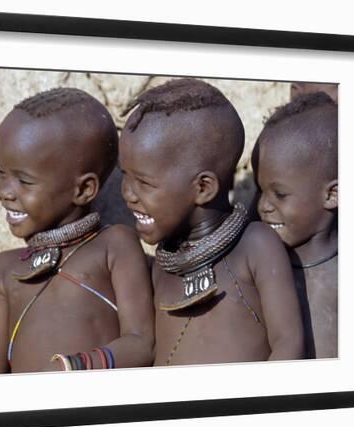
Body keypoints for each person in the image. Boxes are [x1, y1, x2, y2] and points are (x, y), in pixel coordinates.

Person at [118, 79, 304, 366]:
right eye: (124, 176)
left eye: (143, 182)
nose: (127, 194)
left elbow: (288, 344)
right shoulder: (165, 264)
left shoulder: (255, 245)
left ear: (203, 187)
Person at [0, 87, 155, 374]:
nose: (4, 191)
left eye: (24, 181)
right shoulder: (3, 269)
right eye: (1, 172)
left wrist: (77, 367)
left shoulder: (113, 245)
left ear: (84, 189)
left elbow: (142, 342)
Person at [252, 92, 338, 358]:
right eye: (260, 191)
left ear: (332, 195)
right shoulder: (256, 264)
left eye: (279, 194)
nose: (264, 206)